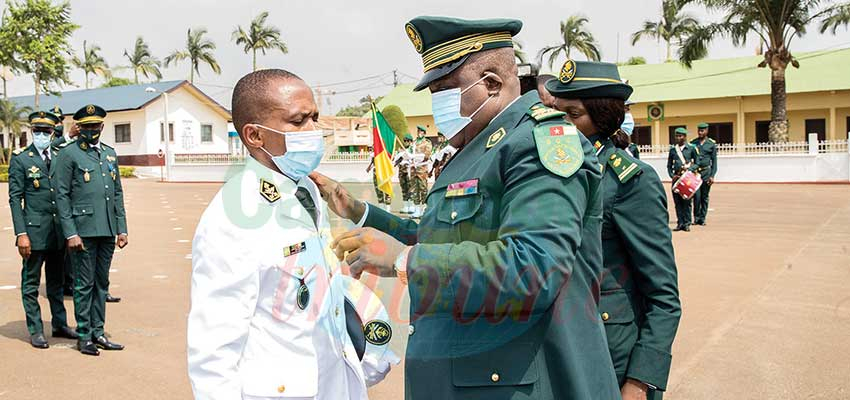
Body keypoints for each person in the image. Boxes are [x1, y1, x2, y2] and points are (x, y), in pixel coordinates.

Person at [311, 16, 620, 399]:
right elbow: (442, 235)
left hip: (519, 381)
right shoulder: (475, 147)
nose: (435, 103)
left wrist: (405, 261)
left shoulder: (538, 144)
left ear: (491, 85)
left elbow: (533, 268)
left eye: (444, 89)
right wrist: (360, 212)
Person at [187, 69, 394, 399]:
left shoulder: (307, 190)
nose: (314, 130)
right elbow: (214, 347)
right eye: (298, 122)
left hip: (331, 382)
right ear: (255, 136)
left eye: (314, 117)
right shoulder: (232, 216)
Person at [547, 60, 682, 400]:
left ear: (601, 116)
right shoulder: (552, 174)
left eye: (573, 114)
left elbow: (664, 296)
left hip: (613, 353)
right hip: (561, 342)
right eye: (557, 112)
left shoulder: (629, 182)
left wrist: (639, 381)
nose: (561, 124)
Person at [54, 104, 128, 356]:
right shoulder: (69, 154)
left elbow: (117, 193)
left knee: (101, 283)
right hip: (83, 231)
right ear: (79, 128)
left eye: (95, 126)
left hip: (107, 229)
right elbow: (61, 196)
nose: (91, 131)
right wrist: (70, 233)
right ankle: (84, 335)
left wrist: (122, 228)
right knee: (83, 284)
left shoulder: (109, 154)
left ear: (102, 127)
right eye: (86, 127)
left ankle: (99, 332)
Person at [8, 110, 78, 349]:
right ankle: (36, 329)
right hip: (34, 232)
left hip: (58, 232)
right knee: (30, 283)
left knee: (57, 283)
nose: (41, 135)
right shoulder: (21, 158)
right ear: (31, 132)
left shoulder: (60, 155)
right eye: (37, 131)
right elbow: (15, 198)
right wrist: (21, 234)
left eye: (46, 131)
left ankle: (59, 324)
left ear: (52, 133)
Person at [667, 128, 699, 232]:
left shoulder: (691, 149)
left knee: (687, 201)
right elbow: (669, 165)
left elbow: (698, 163)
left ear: (685, 137)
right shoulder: (673, 150)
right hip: (676, 179)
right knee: (677, 202)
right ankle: (679, 223)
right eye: (677, 136)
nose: (678, 138)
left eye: (680, 136)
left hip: (687, 178)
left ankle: (687, 223)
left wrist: (689, 169)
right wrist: (672, 175)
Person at [691, 122, 717, 225]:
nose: (700, 132)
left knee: (704, 197)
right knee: (696, 197)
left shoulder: (711, 144)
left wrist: (712, 176)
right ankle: (696, 217)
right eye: (699, 130)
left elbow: (714, 162)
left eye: (702, 130)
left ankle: (702, 218)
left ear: (706, 131)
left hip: (706, 172)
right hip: (696, 173)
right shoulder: (693, 143)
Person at [409, 125, 432, 217]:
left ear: (424, 133)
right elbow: (410, 153)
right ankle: (417, 209)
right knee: (415, 189)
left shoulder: (427, 142)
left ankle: (424, 209)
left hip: (422, 169)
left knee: (423, 189)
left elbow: (427, 155)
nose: (419, 132)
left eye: (421, 131)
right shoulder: (414, 142)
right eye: (418, 131)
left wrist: (418, 157)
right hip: (414, 169)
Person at [393, 134, 414, 214]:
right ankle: (406, 205)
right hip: (402, 170)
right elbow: (397, 160)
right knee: (404, 188)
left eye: (407, 141)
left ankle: (411, 206)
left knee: (410, 188)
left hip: (408, 170)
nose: (406, 142)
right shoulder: (401, 150)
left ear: (411, 142)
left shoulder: (412, 150)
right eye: (405, 141)